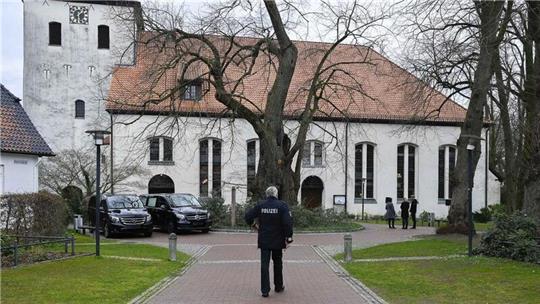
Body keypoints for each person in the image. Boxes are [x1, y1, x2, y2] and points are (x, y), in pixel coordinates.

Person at [245, 186, 293, 298]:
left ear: (267, 194)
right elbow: (287, 223)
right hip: (278, 239)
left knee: (264, 265)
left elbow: (247, 216)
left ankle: (265, 290)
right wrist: (288, 237)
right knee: (278, 263)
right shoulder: (282, 206)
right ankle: (278, 286)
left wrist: (253, 225)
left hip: (264, 239)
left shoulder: (261, 205)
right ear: (276, 194)